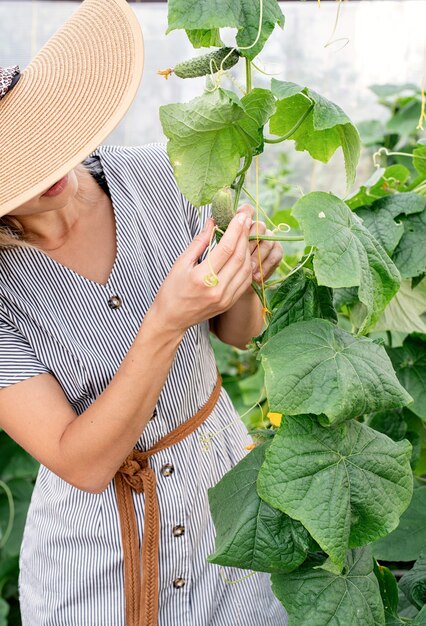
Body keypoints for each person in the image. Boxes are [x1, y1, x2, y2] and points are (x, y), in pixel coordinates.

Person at [0, 0, 287, 625]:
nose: (50, 167)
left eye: (41, 132)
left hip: (224, 506)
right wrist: (165, 319)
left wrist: (241, 278)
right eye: (19, 164)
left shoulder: (161, 175)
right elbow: (82, 461)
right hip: (95, 555)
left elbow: (242, 335)